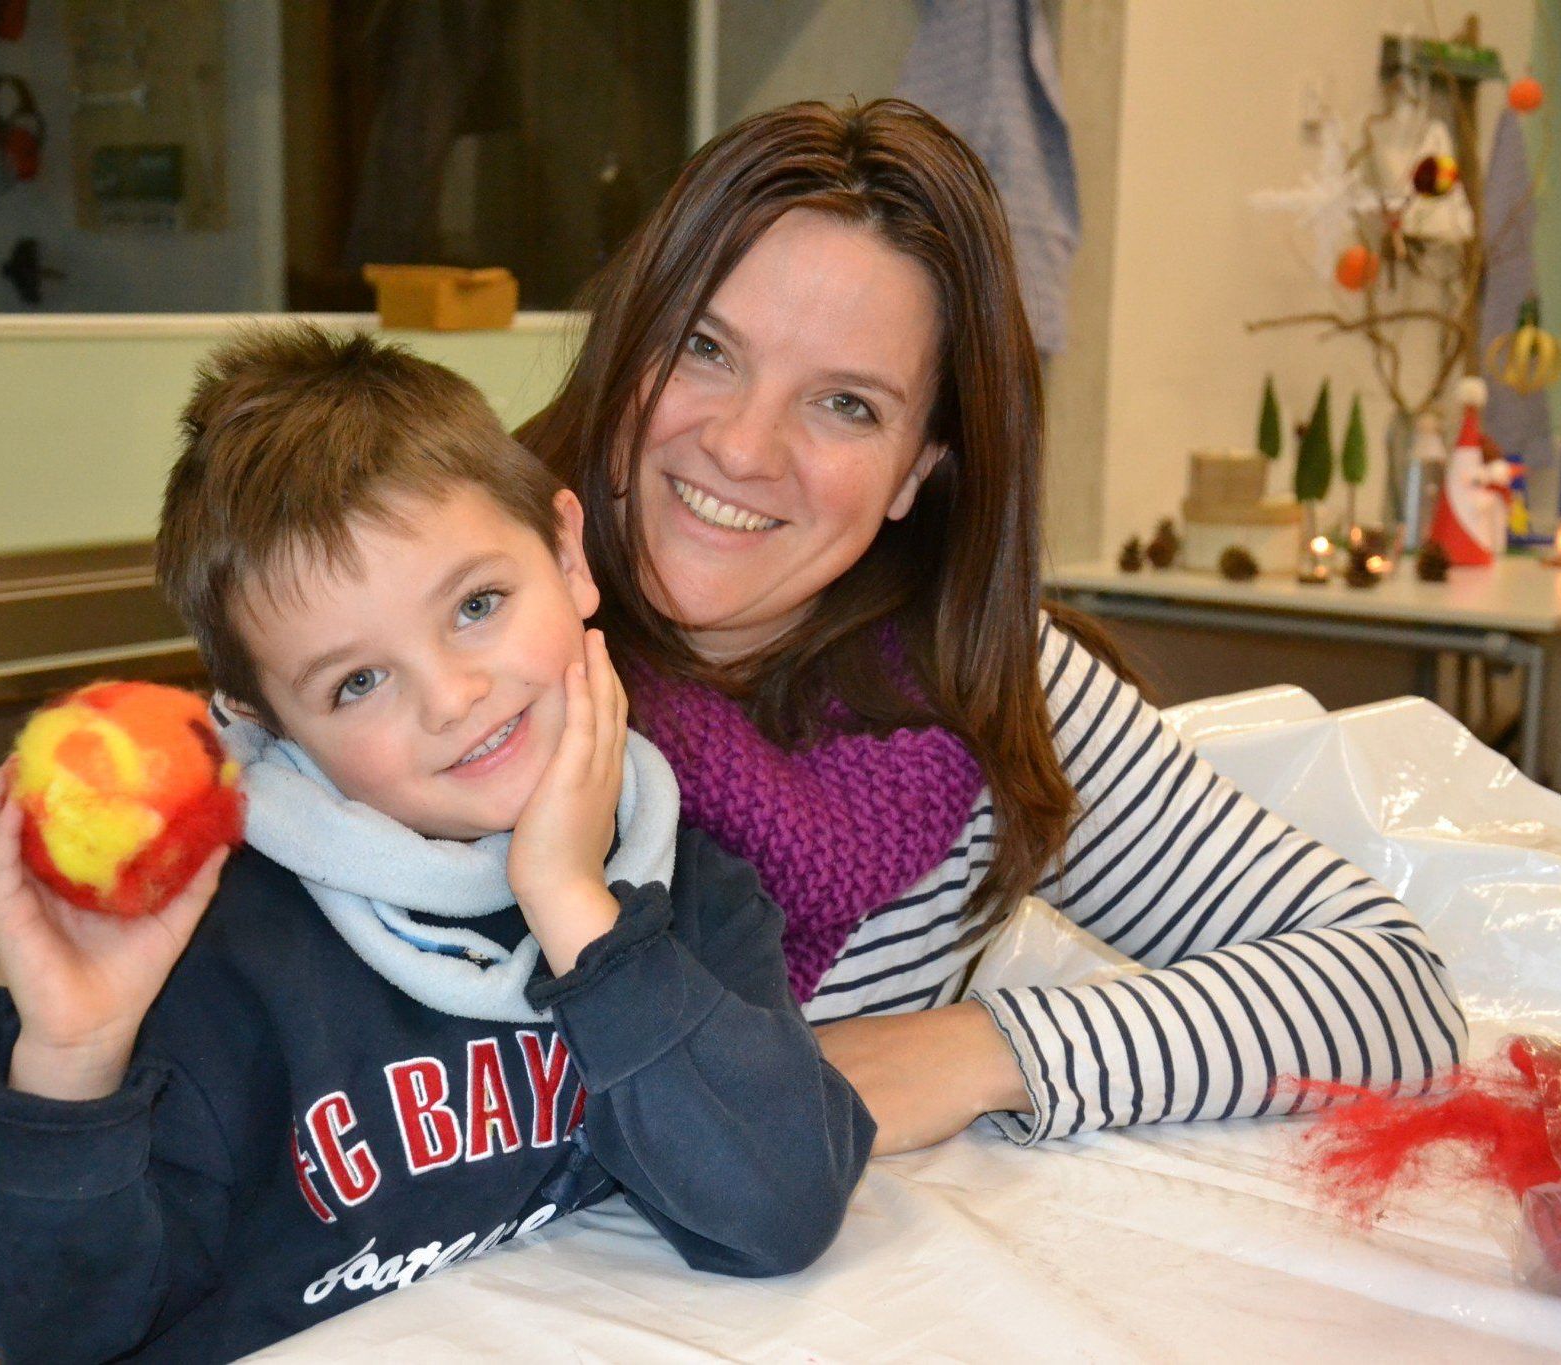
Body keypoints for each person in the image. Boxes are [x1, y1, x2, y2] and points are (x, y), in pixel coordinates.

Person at [521, 99, 1468, 1155]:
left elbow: (1390, 987)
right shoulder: (443, 632)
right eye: (703, 347)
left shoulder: (975, 683)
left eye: (846, 406)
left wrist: (980, 1052)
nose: (743, 449)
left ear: (917, 472)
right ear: (628, 341)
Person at [0, 326, 873, 1362]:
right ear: (266, 720)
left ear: (566, 552)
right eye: (358, 682)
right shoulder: (206, 952)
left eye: (476, 605)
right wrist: (71, 1061)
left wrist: (571, 903)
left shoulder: (677, 888)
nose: (453, 698)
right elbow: (50, 1333)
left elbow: (779, 1209)